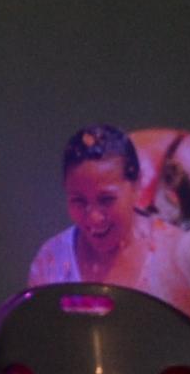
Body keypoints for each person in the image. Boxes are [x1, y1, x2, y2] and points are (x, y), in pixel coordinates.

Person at [27, 124, 178, 289]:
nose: (94, 218)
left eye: (106, 200)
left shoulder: (177, 258)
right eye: (79, 201)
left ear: (137, 186)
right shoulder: (51, 261)